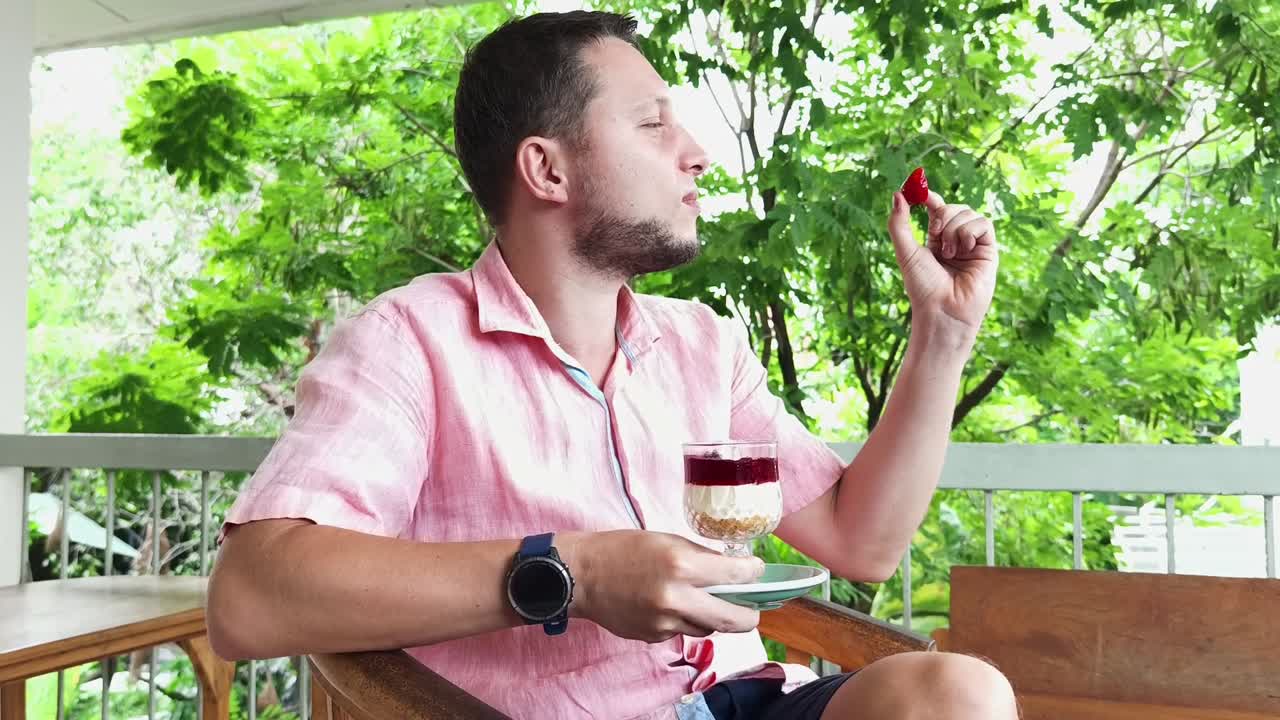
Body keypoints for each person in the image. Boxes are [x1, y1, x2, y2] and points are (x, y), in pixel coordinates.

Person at [207, 10, 1015, 720]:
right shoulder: (408, 342)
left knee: (962, 695)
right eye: (653, 124)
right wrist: (572, 571)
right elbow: (248, 598)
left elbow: (860, 539)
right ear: (547, 169)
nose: (696, 154)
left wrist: (942, 333)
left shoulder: (703, 346)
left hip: (743, 697)